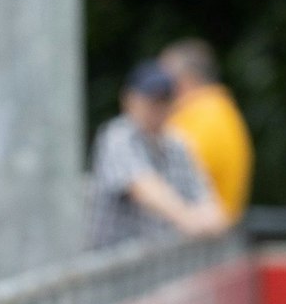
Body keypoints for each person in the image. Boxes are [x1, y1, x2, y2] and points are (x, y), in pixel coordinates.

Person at [85, 60, 228, 250]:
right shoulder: (117, 137)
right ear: (129, 99)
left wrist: (206, 218)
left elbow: (210, 205)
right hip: (114, 270)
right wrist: (189, 218)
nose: (158, 109)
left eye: (164, 100)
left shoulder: (177, 143)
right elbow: (143, 187)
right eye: (151, 100)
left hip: (155, 268)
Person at [160, 38, 254, 222]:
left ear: (184, 80)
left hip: (203, 236)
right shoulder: (218, 109)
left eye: (162, 79)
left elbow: (174, 177)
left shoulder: (204, 117)